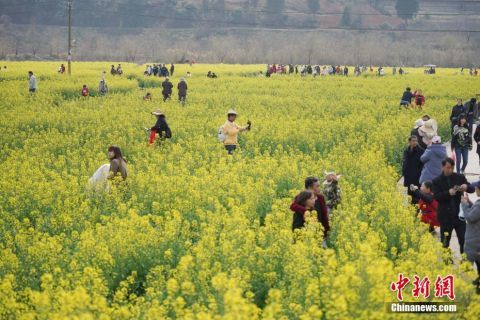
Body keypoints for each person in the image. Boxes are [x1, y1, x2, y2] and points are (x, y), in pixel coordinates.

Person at [433, 158, 474, 254]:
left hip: (459, 215)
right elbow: (436, 197)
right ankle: (446, 262)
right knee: (445, 242)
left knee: (464, 240)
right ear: (442, 167)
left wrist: (466, 187)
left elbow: (472, 189)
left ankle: (465, 262)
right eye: (448, 168)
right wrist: (448, 193)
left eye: (452, 168)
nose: (450, 170)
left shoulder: (459, 177)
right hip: (445, 216)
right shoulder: (436, 181)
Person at [460, 181, 480, 294]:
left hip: (474, 241)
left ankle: (465, 292)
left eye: (477, 187)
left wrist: (464, 204)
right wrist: (470, 203)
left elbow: (470, 217)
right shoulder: (478, 203)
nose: (475, 189)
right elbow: (476, 212)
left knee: (466, 268)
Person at [402, 136, 425, 204]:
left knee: (416, 193)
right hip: (408, 176)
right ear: (409, 142)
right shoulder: (406, 151)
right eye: (413, 141)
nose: (415, 142)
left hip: (417, 176)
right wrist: (404, 172)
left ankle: (416, 209)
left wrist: (420, 172)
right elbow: (404, 162)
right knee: (409, 193)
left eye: (416, 141)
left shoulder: (421, 151)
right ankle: (410, 209)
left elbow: (423, 164)